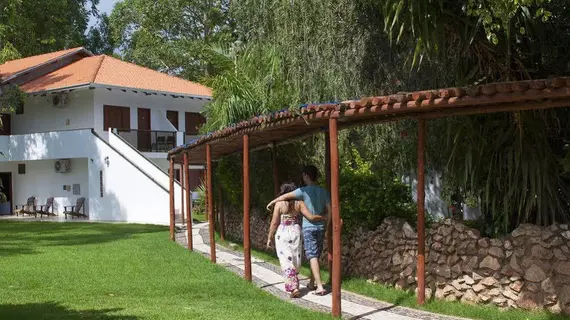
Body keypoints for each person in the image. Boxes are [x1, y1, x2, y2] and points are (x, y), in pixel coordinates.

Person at [267, 165, 330, 296]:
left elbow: (283, 199)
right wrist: (326, 223)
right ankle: (312, 283)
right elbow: (328, 211)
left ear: (307, 176)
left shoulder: (302, 191)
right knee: (312, 255)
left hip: (303, 229)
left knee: (310, 256)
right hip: (317, 228)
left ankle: (316, 286)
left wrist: (272, 202)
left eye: (304, 175)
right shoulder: (322, 192)